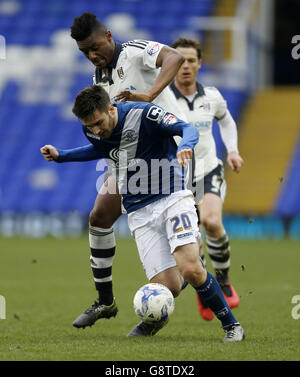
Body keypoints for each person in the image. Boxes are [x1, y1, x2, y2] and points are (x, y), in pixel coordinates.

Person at [40, 84, 245, 341]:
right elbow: (102, 148)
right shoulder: (92, 129)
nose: (95, 130)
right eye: (90, 126)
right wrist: (63, 155)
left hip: (172, 198)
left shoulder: (146, 114)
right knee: (168, 286)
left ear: (111, 109)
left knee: (191, 270)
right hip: (138, 211)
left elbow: (187, 128)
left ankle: (232, 326)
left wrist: (187, 145)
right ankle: (156, 317)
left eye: (99, 123)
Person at [68, 12, 186, 328]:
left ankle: (176, 294)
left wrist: (150, 94)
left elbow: (174, 56)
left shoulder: (133, 51)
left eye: (94, 47)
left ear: (108, 36)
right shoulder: (99, 78)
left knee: (184, 259)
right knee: (100, 216)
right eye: (84, 52)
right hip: (130, 160)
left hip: (166, 154)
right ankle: (105, 302)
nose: (92, 55)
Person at [170, 38, 244, 321]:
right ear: (172, 64)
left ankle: (223, 280)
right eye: (181, 60)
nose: (186, 66)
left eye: (191, 60)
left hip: (208, 171)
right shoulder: (163, 97)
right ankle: (206, 290)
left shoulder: (211, 96)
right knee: (193, 243)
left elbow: (225, 120)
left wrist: (233, 151)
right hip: (177, 179)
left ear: (200, 64)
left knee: (211, 221)